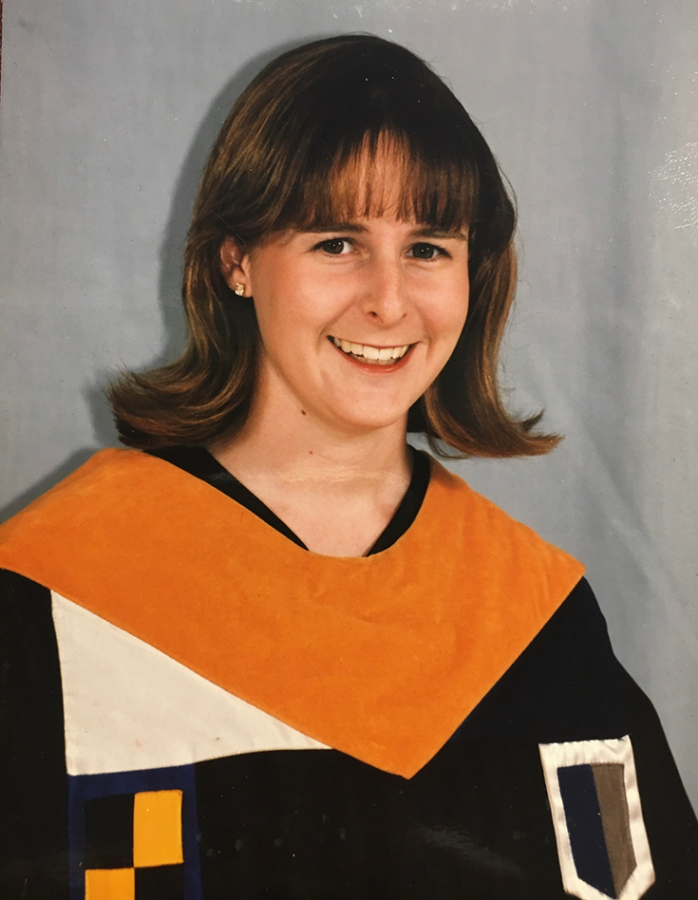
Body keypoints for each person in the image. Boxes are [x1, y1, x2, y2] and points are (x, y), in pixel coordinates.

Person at [0, 33, 696, 900]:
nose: (389, 298)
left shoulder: (533, 621)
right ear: (237, 262)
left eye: (429, 247)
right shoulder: (64, 593)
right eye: (337, 242)